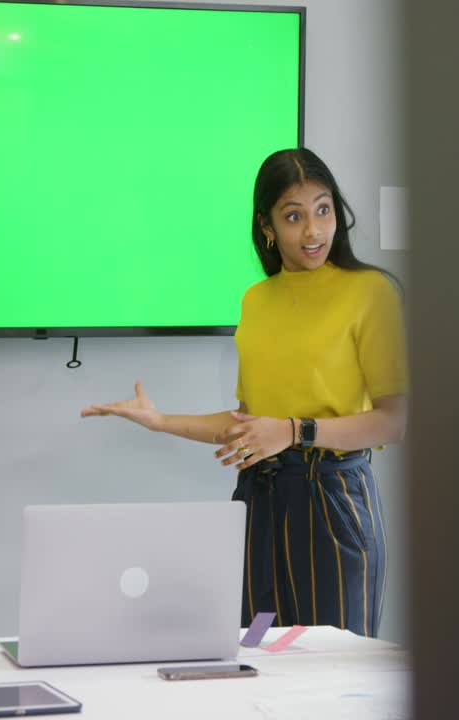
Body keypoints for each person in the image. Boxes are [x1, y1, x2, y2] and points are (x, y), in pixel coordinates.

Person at [82, 148, 407, 637]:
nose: (314, 231)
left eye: (323, 210)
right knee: (256, 651)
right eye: (294, 217)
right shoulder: (257, 301)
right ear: (268, 227)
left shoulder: (370, 292)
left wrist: (295, 430)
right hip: (260, 502)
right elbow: (249, 423)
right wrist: (160, 420)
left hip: (334, 504)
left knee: (333, 672)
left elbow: (393, 421)